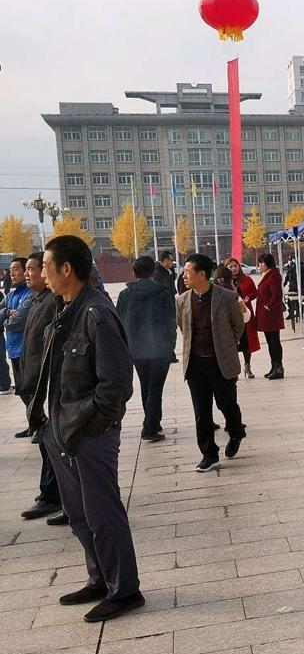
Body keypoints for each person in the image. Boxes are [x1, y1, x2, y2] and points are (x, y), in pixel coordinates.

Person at [27, 235, 143, 622]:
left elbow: (117, 383)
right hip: (62, 430)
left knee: (103, 514)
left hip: (89, 433)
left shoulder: (96, 313)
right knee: (79, 515)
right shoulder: (65, 309)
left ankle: (124, 590)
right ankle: (100, 578)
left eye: (46, 266)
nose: (41, 273)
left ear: (66, 269)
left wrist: (91, 424)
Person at [176, 254, 246, 472]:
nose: (184, 276)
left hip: (220, 362)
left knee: (227, 404)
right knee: (201, 411)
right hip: (195, 364)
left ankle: (236, 432)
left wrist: (226, 345)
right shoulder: (182, 300)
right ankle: (209, 454)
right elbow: (183, 327)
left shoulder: (227, 297)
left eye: (187, 272)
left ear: (202, 274)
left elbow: (238, 326)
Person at [18, 252, 65, 524]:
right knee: (47, 444)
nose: (28, 273)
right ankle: (56, 495)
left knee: (51, 443)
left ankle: (51, 496)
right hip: (35, 384)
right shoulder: (37, 300)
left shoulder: (52, 302)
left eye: (33, 268)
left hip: (48, 386)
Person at [117, 257, 176, 442]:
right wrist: (171, 345)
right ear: (153, 272)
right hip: (160, 347)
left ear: (134, 273)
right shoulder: (162, 293)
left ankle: (152, 422)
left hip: (135, 349)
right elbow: (170, 321)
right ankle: (150, 427)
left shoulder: (125, 295)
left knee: (146, 386)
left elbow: (118, 321)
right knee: (155, 387)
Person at [1, 258, 30, 408]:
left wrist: (5, 321)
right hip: (13, 351)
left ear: (26, 271)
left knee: (30, 392)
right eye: (10, 270)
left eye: (16, 269)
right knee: (22, 392)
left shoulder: (30, 294)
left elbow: (18, 321)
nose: (11, 273)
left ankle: (39, 420)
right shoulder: (10, 296)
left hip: (26, 351)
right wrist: (7, 312)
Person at [225, 257, 260, 378]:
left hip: (245, 315)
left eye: (235, 266)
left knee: (246, 342)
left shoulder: (247, 279)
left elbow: (255, 293)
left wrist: (248, 297)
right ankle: (235, 369)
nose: (233, 268)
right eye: (230, 267)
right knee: (233, 343)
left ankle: (247, 366)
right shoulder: (225, 282)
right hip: (231, 316)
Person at [256, 253, 285, 380]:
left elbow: (277, 294)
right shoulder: (266, 274)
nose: (260, 265)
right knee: (270, 342)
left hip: (271, 315)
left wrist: (267, 306)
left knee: (274, 341)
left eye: (262, 263)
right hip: (266, 315)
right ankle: (274, 366)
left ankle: (279, 368)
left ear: (268, 263)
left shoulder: (273, 275)